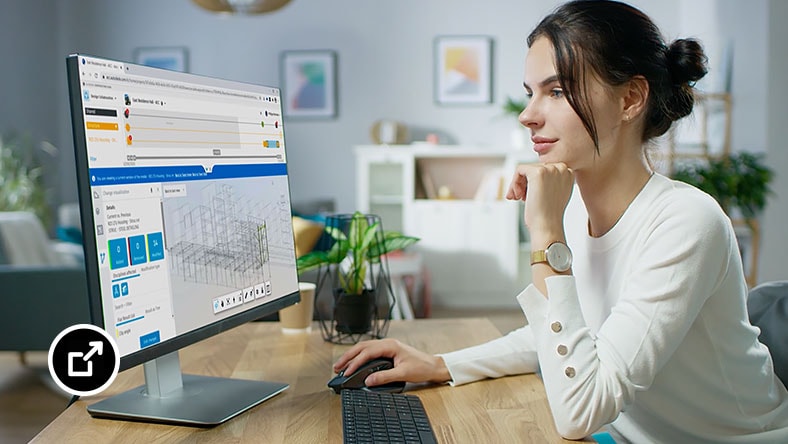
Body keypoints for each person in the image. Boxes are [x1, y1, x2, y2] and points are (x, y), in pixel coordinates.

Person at [333, 1, 788, 442]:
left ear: (630, 98)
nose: (528, 116)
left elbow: (580, 411)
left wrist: (547, 235)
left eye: (556, 91)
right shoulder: (576, 210)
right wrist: (440, 364)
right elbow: (569, 331)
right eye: (531, 93)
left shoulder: (686, 221)